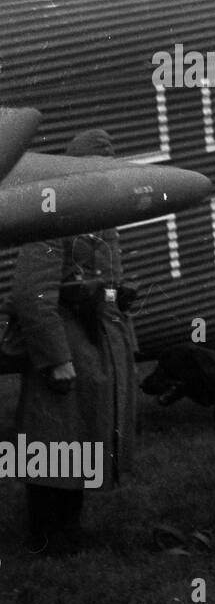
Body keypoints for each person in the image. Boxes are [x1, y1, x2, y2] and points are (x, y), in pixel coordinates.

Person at [12, 128, 138, 555]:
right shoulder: (50, 216)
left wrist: (118, 294)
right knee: (53, 439)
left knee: (80, 437)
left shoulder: (101, 219)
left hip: (94, 341)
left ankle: (67, 532)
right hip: (66, 344)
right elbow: (31, 294)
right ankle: (47, 538)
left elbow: (102, 282)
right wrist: (56, 358)